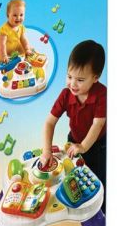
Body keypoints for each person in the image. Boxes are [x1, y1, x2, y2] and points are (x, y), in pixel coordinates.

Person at [40, 40, 107, 209]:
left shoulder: (102, 94)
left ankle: (102, 212)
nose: (73, 84)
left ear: (96, 78)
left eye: (80, 79)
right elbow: (49, 122)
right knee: (74, 175)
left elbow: (98, 124)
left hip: (98, 145)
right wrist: (46, 151)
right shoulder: (65, 94)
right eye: (69, 77)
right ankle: (77, 206)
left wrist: (83, 146)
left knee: (97, 181)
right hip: (74, 140)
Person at [0, 0, 33, 65]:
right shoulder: (4, 30)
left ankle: (26, 56)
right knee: (2, 60)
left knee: (27, 48)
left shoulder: (21, 27)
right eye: (15, 15)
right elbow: (2, 45)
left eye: (21, 15)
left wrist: (27, 49)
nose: (18, 18)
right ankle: (8, 61)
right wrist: (4, 56)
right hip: (0, 52)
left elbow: (23, 39)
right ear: (8, 15)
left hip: (13, 49)